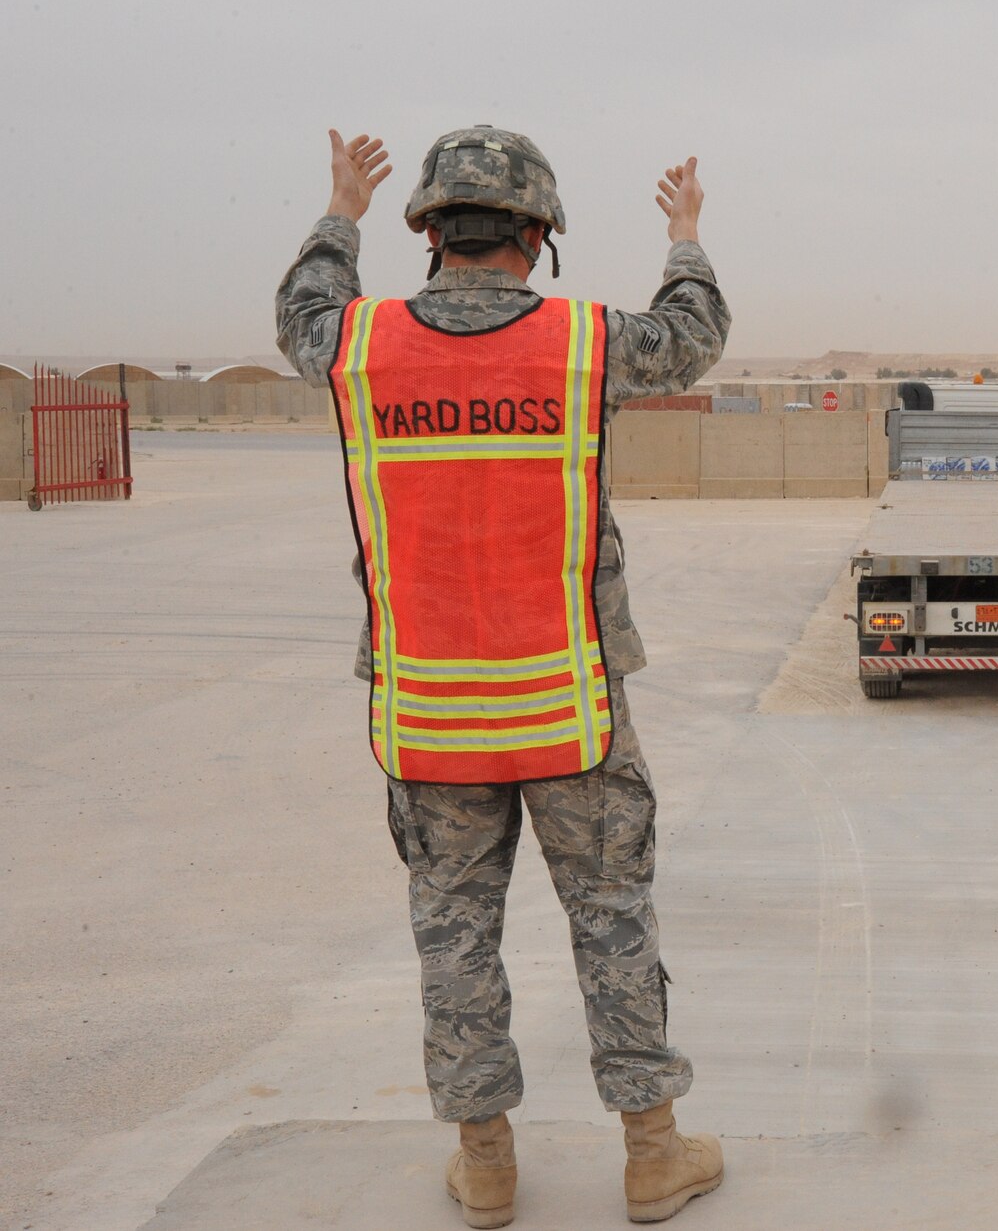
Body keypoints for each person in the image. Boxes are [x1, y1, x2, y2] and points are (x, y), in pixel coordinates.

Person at [275, 126, 729, 1226]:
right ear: (539, 234)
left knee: (454, 929)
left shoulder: (359, 343)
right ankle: (651, 1153)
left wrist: (340, 209)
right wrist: (683, 237)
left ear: (427, 231)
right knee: (612, 913)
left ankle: (485, 1163)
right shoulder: (582, 343)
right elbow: (693, 335)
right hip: (569, 698)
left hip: (429, 709)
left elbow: (299, 312)